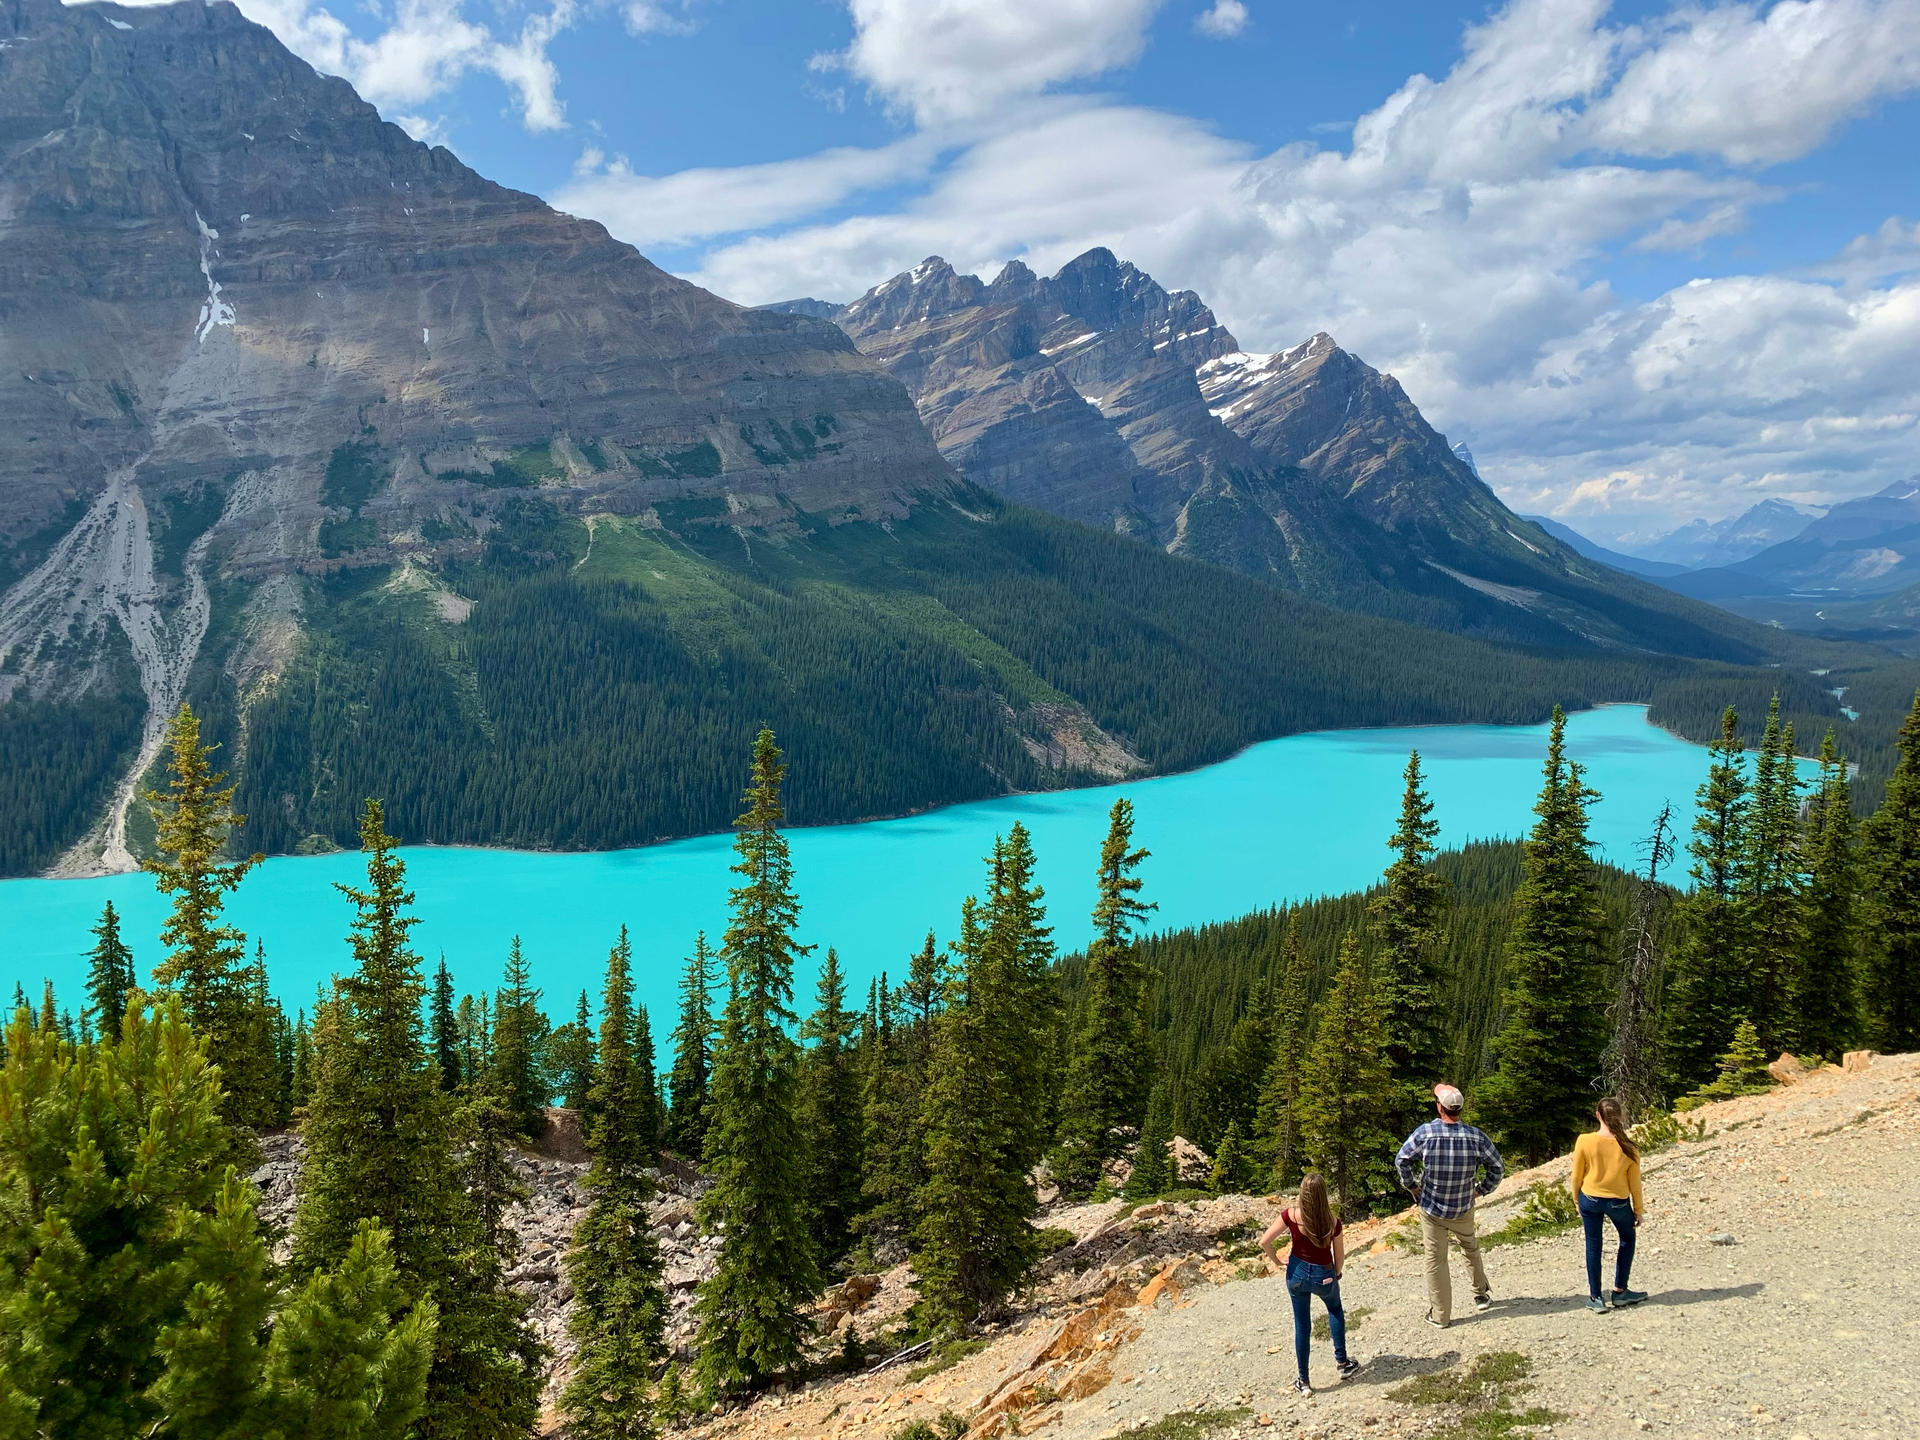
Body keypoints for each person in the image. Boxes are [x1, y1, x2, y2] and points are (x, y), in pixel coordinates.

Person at [1394, 1082, 1504, 1328]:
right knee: (1470, 1247)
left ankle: (1441, 1315)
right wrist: (1480, 1190)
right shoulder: (1476, 1136)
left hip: (1432, 1207)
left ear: (1439, 1108)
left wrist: (1411, 1186)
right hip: (1463, 1206)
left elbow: (1401, 1160)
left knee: (1436, 1259)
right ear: (1459, 1109)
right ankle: (1481, 1294)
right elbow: (1497, 1168)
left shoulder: (1425, 1133)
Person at [1258, 1171, 1361, 1396]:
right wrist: (1337, 1273)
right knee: (1334, 1310)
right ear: (1323, 1195)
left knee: (1302, 1324)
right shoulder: (1332, 1222)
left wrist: (1277, 1261)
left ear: (1302, 1193)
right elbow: (1339, 1255)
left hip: (1297, 1274)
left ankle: (1303, 1380)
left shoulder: (1291, 1216)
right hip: (1324, 1274)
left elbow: (1264, 1241)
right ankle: (1342, 1363)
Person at [1571, 1097, 1648, 1314]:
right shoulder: (1630, 1147)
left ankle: (1596, 1297)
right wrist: (1638, 1210)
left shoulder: (1584, 1140)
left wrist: (1576, 1199)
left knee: (1594, 1244)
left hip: (1590, 1198)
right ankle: (1620, 1291)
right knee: (1627, 1239)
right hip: (1618, 1201)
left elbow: (1577, 1175)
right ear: (1620, 1117)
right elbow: (1635, 1183)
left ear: (1598, 1116)